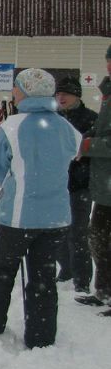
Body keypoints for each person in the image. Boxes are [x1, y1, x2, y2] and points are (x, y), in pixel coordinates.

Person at [0, 68, 80, 349]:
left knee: (2, 270)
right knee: (43, 275)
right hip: (55, 218)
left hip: (19, 216)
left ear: (27, 93)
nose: (13, 94)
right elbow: (74, 153)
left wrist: (17, 186)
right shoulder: (65, 127)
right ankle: (41, 336)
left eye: (17, 89)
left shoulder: (13, 126)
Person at [52, 76, 98, 296]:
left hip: (80, 185)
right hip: (56, 185)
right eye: (58, 94)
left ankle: (82, 280)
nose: (61, 98)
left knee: (78, 233)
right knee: (56, 231)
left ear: (77, 96)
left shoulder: (91, 119)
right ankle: (67, 269)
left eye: (65, 94)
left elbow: (92, 152)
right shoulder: (51, 118)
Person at [78, 44, 111, 316]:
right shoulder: (108, 94)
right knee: (99, 238)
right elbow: (102, 129)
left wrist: (88, 146)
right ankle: (103, 291)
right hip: (104, 185)